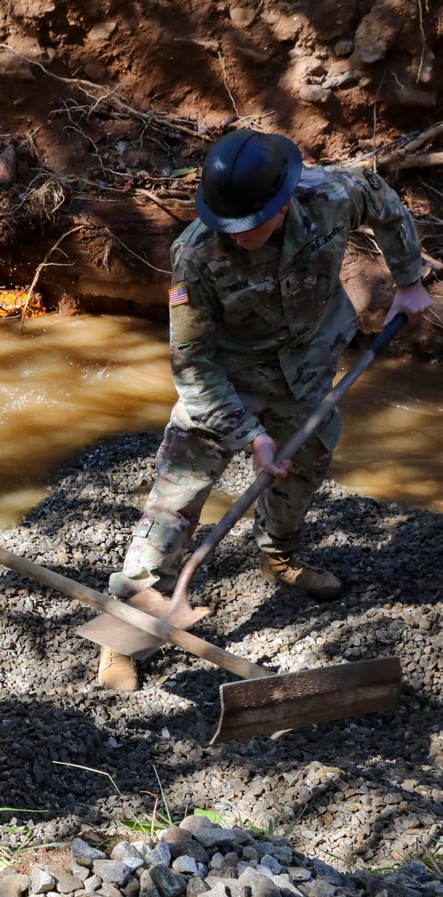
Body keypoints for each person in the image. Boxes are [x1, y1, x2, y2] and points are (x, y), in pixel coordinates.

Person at [99, 128, 431, 692]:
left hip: (310, 364)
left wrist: (408, 279)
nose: (243, 236)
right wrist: (251, 434)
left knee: (306, 467)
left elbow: (385, 201)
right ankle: (125, 629)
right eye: (232, 226)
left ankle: (278, 555)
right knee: (175, 498)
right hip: (228, 382)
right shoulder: (196, 257)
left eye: (256, 223)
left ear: (284, 200)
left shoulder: (331, 196)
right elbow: (193, 367)